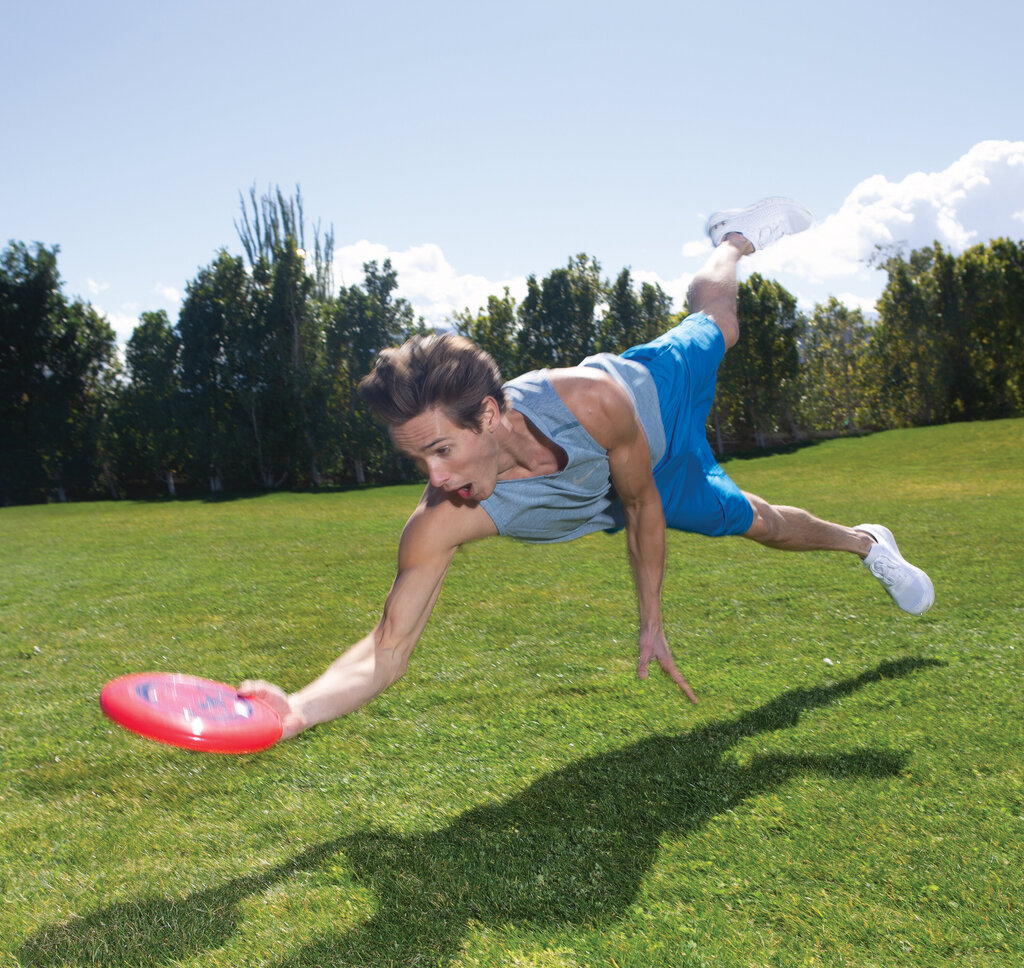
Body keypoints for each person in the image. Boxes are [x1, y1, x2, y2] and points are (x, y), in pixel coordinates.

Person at [240, 197, 934, 738]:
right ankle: (867, 541)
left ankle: (731, 238)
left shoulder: (590, 401)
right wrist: (296, 709)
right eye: (416, 458)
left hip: (650, 400)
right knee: (763, 524)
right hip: (648, 482)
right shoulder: (439, 523)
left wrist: (652, 618)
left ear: (488, 415)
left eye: (441, 450)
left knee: (721, 319)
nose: (433, 478)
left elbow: (640, 509)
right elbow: (387, 650)